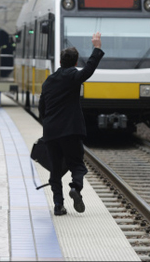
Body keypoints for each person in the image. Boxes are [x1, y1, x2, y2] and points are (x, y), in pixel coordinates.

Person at [38, 32, 104, 216]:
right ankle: (75, 187)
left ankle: (58, 206)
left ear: (60, 62)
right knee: (77, 165)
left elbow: (41, 107)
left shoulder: (48, 82)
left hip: (51, 133)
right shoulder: (73, 77)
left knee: (55, 170)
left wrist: (48, 124)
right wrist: (97, 48)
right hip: (71, 131)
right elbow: (89, 69)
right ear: (75, 63)